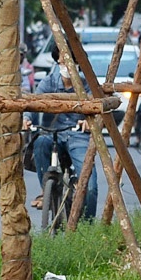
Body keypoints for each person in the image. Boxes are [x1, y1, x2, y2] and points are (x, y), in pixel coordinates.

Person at [27, 55, 99, 220]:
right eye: (63, 62)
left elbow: (96, 109)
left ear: (78, 64)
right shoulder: (48, 83)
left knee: (89, 187)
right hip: (52, 134)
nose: (67, 66)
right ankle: (45, 190)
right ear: (57, 63)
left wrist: (90, 121)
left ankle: (89, 228)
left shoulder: (87, 85)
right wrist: (27, 119)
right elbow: (33, 104)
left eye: (71, 62)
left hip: (78, 137)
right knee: (40, 142)